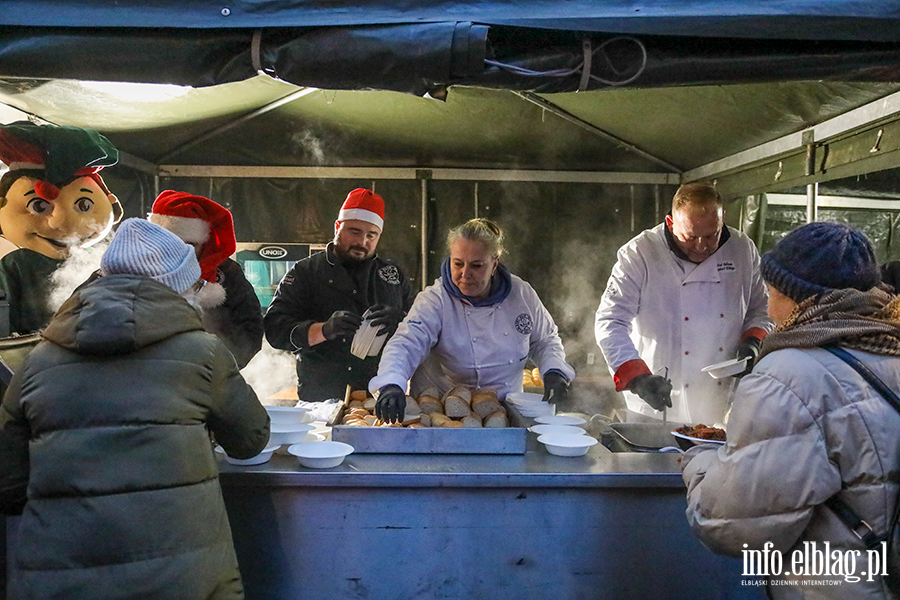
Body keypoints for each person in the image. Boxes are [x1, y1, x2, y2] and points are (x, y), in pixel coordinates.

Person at [0, 218, 270, 599]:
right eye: (194, 284)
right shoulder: (204, 354)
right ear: (179, 288)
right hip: (181, 580)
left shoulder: (37, 361)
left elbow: (9, 485)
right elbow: (251, 439)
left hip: (60, 582)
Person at [681, 222, 900, 598]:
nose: (768, 305)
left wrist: (699, 462)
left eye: (771, 292)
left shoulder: (789, 377)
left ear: (798, 298)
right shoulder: (888, 345)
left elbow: (732, 526)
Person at [594, 182, 772, 425]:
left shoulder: (742, 249)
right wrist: (637, 377)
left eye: (711, 236)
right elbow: (610, 321)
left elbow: (762, 310)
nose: (701, 246)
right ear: (670, 223)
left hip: (721, 400)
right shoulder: (640, 253)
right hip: (654, 400)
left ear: (722, 221)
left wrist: (753, 341)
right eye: (690, 237)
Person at [370, 218, 575, 423]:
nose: (465, 274)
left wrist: (554, 369)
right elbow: (407, 343)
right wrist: (391, 382)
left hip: (503, 411)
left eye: (477, 265)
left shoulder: (521, 295)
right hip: (441, 413)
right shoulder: (436, 300)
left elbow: (545, 340)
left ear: (495, 263)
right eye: (458, 263)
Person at [264, 188, 414, 401]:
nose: (362, 242)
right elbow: (275, 330)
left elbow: (422, 328)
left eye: (371, 235)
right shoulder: (306, 272)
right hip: (320, 398)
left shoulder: (392, 275)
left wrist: (401, 321)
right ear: (337, 227)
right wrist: (323, 330)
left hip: (378, 399)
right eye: (354, 231)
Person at [0, 121, 122, 334]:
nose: (60, 222)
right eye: (39, 206)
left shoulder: (105, 259)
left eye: (84, 205)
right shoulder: (17, 265)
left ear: (112, 204)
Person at [148, 190, 264, 368]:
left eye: (189, 245)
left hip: (209, 376)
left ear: (205, 243)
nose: (180, 252)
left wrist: (216, 366)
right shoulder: (126, 267)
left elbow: (251, 328)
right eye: (171, 243)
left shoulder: (227, 273)